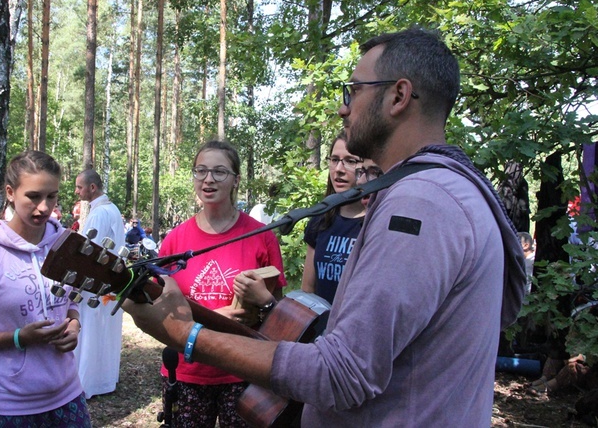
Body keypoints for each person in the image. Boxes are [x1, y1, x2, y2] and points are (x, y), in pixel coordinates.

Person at [123, 28, 526, 426]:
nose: (343, 109)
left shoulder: (419, 204)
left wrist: (185, 335)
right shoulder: (454, 189)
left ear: (398, 97)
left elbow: (343, 373)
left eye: (354, 91)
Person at [0, 151, 90, 427]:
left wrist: (73, 323)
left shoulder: (65, 244)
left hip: (68, 397)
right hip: (8, 407)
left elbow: (69, 300)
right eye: (33, 196)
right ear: (10, 193)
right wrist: (16, 338)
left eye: (52, 196)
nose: (44, 208)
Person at [154, 139, 286, 428]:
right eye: (201, 171)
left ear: (236, 180)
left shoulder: (261, 236)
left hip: (243, 369)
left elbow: (277, 314)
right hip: (188, 370)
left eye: (219, 172)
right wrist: (212, 319)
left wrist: (263, 304)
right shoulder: (176, 240)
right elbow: (160, 310)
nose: (208, 179)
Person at [301, 131, 378, 303]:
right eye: (334, 160)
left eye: (350, 161)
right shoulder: (320, 218)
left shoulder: (377, 222)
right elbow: (308, 289)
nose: (339, 170)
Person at [72, 168, 125, 397]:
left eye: (79, 187)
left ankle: (87, 383)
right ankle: (103, 378)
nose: (77, 191)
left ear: (92, 188)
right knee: (102, 330)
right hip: (109, 281)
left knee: (92, 330)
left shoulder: (100, 213)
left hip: (95, 283)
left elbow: (88, 250)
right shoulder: (111, 209)